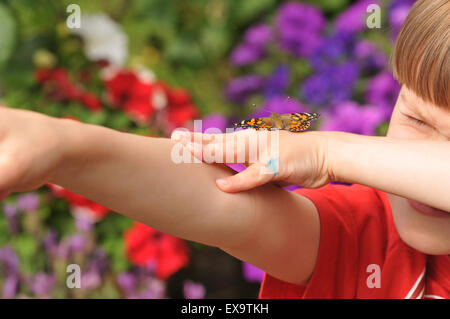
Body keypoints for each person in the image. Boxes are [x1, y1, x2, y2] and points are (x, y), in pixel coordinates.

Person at [0, 0, 448, 298]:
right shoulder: (373, 239)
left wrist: (329, 152)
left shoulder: (342, 161)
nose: (426, 155)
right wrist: (62, 146)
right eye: (415, 119)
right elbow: (226, 208)